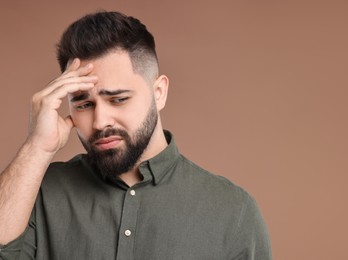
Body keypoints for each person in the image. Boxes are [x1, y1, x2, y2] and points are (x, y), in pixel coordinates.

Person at [0, 11, 271, 259]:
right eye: (83, 104)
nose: (99, 122)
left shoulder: (233, 211)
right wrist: (37, 147)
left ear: (159, 93)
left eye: (118, 99)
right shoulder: (36, 192)